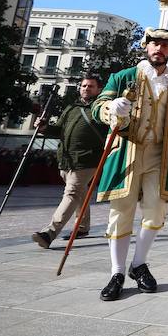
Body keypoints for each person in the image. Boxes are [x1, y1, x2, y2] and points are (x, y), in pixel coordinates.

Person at [92, 28, 168, 302]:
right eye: (154, 44)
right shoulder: (123, 76)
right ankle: (116, 272)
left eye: (165, 45)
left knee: (156, 211)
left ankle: (138, 264)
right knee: (121, 211)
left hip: (161, 154)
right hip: (127, 150)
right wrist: (112, 107)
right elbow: (97, 106)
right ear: (146, 47)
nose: (159, 48)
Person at [30, 75, 108, 248]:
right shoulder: (71, 108)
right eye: (84, 85)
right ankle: (82, 227)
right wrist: (44, 128)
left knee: (72, 193)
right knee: (80, 193)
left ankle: (49, 233)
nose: (86, 88)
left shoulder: (102, 108)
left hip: (87, 159)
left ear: (99, 89)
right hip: (66, 160)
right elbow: (58, 130)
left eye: (91, 86)